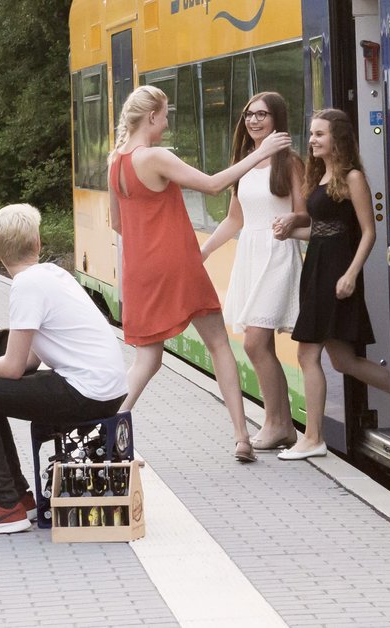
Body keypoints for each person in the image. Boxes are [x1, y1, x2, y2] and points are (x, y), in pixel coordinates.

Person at [107, 85, 292, 463]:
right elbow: (212, 185)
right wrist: (262, 152)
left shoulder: (116, 162)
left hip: (139, 269)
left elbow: (117, 223)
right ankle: (242, 437)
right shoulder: (155, 156)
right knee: (219, 344)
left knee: (147, 360)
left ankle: (107, 430)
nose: (168, 120)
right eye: (166, 113)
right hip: (177, 263)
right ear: (153, 116)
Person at [0, 203, 131, 536]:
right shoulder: (52, 274)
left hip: (87, 393)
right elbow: (28, 362)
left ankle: (5, 506)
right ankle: (18, 496)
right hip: (105, 388)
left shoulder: (26, 286)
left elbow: (12, 367)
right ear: (38, 242)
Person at [270, 110, 390, 460]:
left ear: (337, 138)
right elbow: (322, 230)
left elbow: (367, 232)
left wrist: (352, 274)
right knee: (343, 361)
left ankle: (313, 438)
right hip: (318, 268)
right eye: (311, 134)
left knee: (307, 353)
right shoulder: (320, 175)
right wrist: (289, 232)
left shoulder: (353, 177)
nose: (312, 140)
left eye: (320, 134)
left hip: (338, 271)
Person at [199, 91, 306, 452]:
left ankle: (278, 424)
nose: (254, 120)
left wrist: (291, 220)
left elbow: (305, 213)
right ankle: (283, 425)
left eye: (262, 114)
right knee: (261, 343)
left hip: (278, 252)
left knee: (255, 341)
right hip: (250, 253)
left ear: (277, 120)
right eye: (249, 114)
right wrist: (204, 251)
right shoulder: (245, 163)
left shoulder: (290, 163)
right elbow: (234, 219)